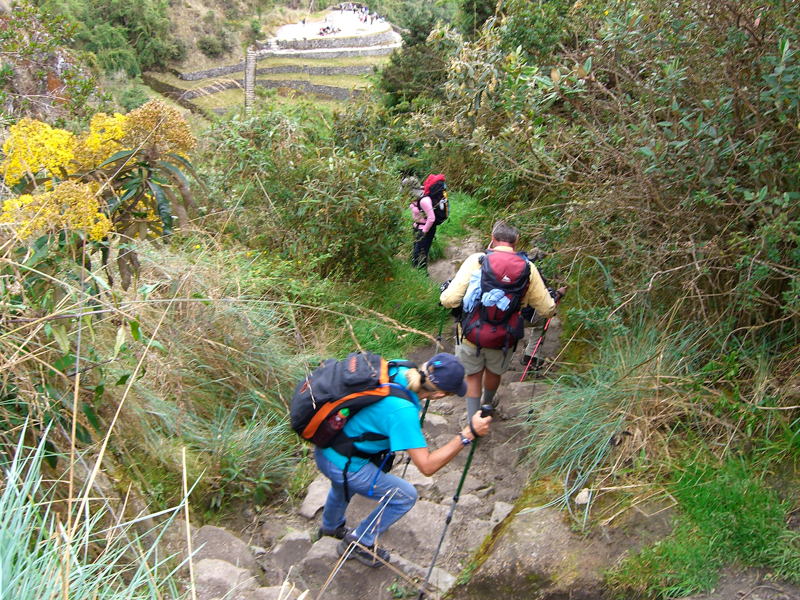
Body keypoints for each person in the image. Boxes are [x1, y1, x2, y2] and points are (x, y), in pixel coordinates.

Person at [314, 353, 492, 567]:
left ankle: (330, 526)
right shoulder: (403, 411)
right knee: (404, 497)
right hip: (343, 463)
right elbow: (427, 466)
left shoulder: (398, 369)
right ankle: (359, 543)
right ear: (439, 396)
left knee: (344, 484)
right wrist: (468, 434)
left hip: (327, 445)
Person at [439, 221, 566, 420]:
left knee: (472, 377)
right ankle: (488, 404)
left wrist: (444, 294)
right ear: (516, 241)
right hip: (505, 336)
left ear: (492, 238)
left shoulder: (477, 261)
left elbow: (449, 300)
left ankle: (474, 423)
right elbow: (547, 309)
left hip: (471, 333)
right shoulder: (528, 268)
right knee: (493, 372)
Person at [404, 175, 438, 273]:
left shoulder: (424, 201)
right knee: (416, 253)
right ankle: (416, 274)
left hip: (425, 230)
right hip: (417, 228)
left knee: (420, 254)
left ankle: (422, 275)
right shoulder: (415, 199)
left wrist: (424, 231)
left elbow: (431, 218)